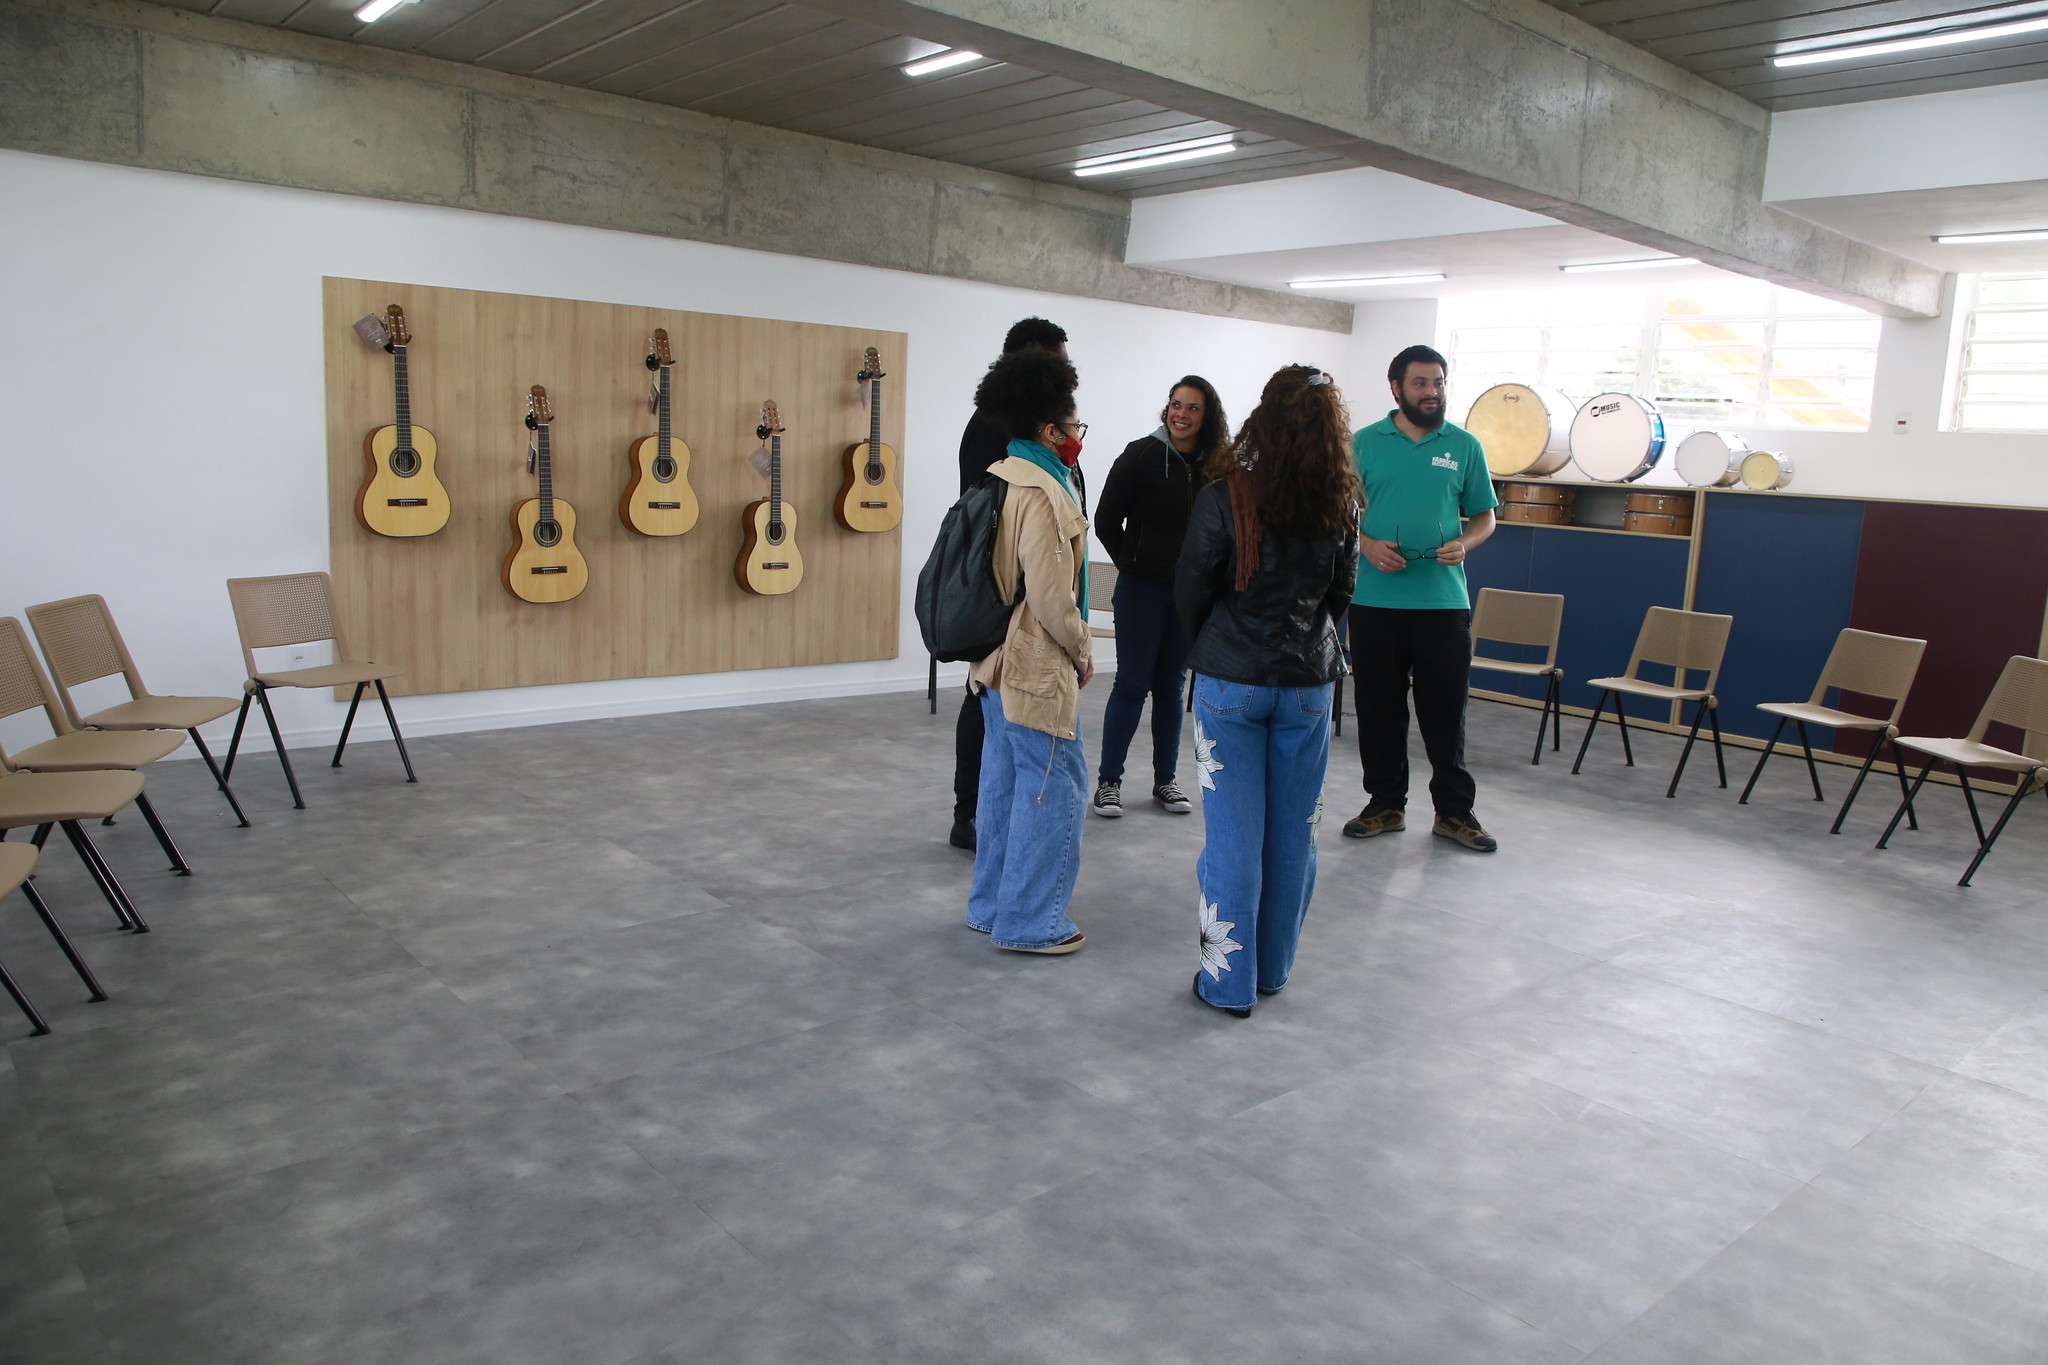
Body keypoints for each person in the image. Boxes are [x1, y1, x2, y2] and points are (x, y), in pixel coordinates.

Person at [1176, 365, 1359, 1015]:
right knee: (1293, 837)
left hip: (1231, 684)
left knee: (1233, 840)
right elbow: (1341, 596)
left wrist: (1216, 644)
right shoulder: (1341, 499)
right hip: (1308, 687)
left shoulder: (1226, 494)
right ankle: (1273, 971)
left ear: (1265, 415)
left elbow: (1193, 586)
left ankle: (1227, 983)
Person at [1343, 344, 1500, 852]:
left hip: (1443, 603)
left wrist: (1465, 542)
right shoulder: (1362, 443)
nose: (1432, 393)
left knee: (1445, 710)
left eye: (1438, 383)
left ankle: (1454, 812)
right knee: (1378, 707)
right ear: (1396, 387)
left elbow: (1485, 516)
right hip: (1375, 601)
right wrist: (1364, 543)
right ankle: (1385, 805)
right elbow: (1334, 512)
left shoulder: (1465, 445)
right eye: (1420, 384)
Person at [966, 349, 1094, 953]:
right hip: (1035, 665)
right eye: (1074, 427)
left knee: (1005, 786)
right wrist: (1082, 646)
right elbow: (1049, 593)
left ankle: (991, 907)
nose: (1076, 437)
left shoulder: (1000, 473)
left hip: (993, 663)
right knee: (1054, 787)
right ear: (1050, 429)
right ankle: (1031, 921)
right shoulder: (1044, 489)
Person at [951, 317, 1070, 852]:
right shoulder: (994, 431)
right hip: (1006, 594)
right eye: (1059, 360)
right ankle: (970, 815)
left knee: (992, 707)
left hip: (1018, 593)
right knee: (986, 701)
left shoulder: (1029, 435)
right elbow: (995, 519)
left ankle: (984, 818)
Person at [1089, 376, 1228, 819]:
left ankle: (1165, 781)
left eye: (1192, 408)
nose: (1180, 415)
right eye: (1175, 405)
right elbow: (1107, 519)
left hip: (1190, 596)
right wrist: (1132, 562)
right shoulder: (1140, 455)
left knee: (1172, 687)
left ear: (1208, 417)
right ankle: (1109, 782)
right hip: (1141, 590)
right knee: (1131, 684)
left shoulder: (1217, 465)